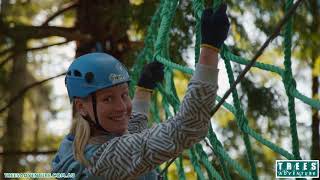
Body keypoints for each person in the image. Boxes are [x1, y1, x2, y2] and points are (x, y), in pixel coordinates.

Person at [51, 4, 230, 180]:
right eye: (107, 99)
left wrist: (143, 91)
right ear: (81, 107)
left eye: (124, 94)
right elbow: (188, 127)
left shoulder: (81, 144)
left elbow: (131, 132)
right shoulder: (102, 160)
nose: (121, 107)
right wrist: (209, 51)